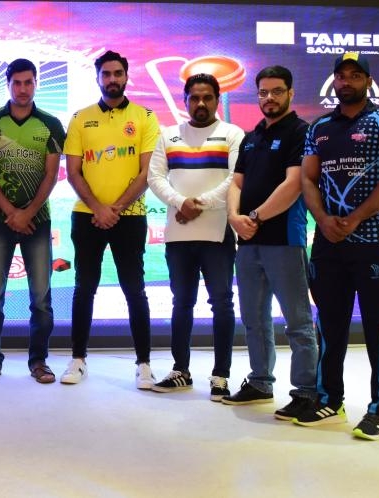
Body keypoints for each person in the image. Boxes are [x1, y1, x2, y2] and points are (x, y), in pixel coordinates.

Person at [295, 53, 379, 440]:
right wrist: (322, 220)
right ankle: (330, 399)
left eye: (354, 75)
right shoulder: (320, 127)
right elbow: (309, 180)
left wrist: (357, 216)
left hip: (373, 241)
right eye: (340, 76)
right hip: (328, 243)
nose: (346, 81)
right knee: (329, 324)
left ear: (367, 80)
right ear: (334, 83)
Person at [221, 66, 318, 418]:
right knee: (254, 318)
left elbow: (294, 185)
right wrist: (234, 218)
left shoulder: (300, 132)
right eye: (263, 92)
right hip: (247, 243)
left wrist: (255, 218)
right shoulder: (252, 137)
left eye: (276, 91)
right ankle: (261, 382)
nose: (269, 98)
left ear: (290, 93)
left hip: (283, 241)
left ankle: (307, 391)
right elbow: (236, 183)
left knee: (297, 320)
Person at [61, 50, 160, 388]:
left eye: (118, 73)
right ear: (98, 78)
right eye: (107, 74)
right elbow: (73, 173)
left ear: (127, 76)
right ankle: (77, 360)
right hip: (87, 217)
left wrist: (114, 208)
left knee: (134, 289)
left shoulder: (145, 116)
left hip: (129, 217)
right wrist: (98, 208)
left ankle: (144, 364)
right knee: (83, 288)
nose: (113, 79)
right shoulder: (80, 118)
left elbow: (147, 172)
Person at [147, 73, 243, 401]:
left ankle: (221, 376)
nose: (200, 104)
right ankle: (180, 371)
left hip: (218, 235)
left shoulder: (232, 134)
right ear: (185, 100)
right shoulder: (169, 135)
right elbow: (155, 176)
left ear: (217, 100)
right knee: (182, 303)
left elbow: (234, 179)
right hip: (179, 235)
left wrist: (197, 205)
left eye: (207, 97)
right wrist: (180, 203)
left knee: (222, 303)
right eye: (194, 98)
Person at [0, 58, 65, 384]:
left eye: (28, 82)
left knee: (41, 298)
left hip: (38, 221)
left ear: (36, 83)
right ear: (8, 84)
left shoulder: (51, 124)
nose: (23, 89)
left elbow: (52, 175)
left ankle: (38, 361)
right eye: (17, 83)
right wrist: (12, 213)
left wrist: (27, 213)